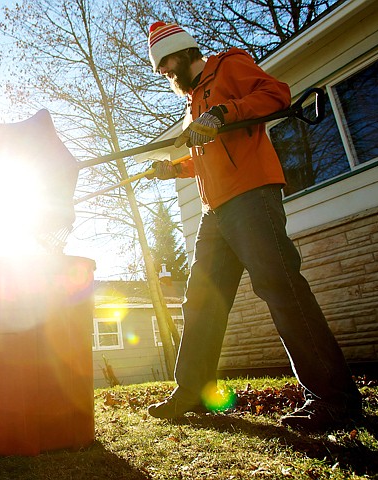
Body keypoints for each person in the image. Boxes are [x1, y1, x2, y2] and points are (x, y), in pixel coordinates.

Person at [144, 21, 361, 430]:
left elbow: (275, 94)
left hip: (251, 197)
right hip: (215, 212)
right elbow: (211, 154)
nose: (165, 73)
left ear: (188, 51)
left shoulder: (229, 66)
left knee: (280, 286)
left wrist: (223, 111)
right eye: (160, 69)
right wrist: (170, 169)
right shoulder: (193, 102)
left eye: (168, 63)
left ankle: (334, 398)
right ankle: (192, 391)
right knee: (201, 301)